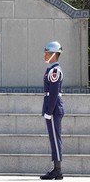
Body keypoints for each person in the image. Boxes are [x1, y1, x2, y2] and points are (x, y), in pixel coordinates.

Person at [40, 41, 65, 180]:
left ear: (54, 55)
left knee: (55, 140)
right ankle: (56, 169)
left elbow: (54, 94)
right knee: (53, 139)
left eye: (48, 53)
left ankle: (57, 170)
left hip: (54, 108)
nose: (45, 55)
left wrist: (49, 111)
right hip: (52, 107)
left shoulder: (54, 71)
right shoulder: (51, 69)